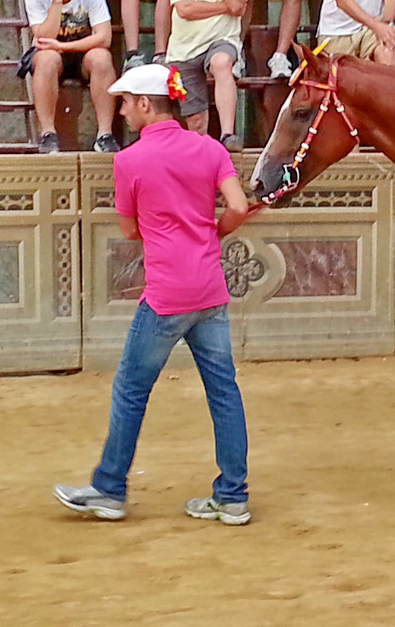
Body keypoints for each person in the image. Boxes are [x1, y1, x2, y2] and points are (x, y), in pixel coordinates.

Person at [53, 61, 254, 526]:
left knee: (130, 389)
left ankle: (108, 488)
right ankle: (232, 496)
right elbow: (239, 207)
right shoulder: (207, 149)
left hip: (166, 292)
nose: (121, 111)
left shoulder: (129, 161)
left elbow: (129, 230)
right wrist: (210, 233)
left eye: (125, 102)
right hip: (209, 289)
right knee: (224, 391)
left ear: (145, 104)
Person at [22, 0, 120, 154]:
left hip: (83, 51)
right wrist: (57, 2)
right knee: (47, 58)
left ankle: (105, 135)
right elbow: (43, 38)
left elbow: (104, 38)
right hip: (49, 52)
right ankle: (48, 134)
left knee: (102, 58)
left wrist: (63, 46)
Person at [167, 0, 247, 148]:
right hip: (184, 47)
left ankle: (228, 134)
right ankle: (203, 159)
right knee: (196, 121)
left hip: (222, 39)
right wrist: (226, 6)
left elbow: (239, 7)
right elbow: (184, 10)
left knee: (221, 62)